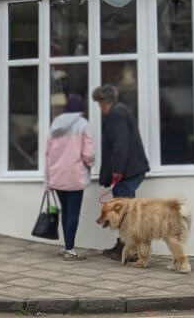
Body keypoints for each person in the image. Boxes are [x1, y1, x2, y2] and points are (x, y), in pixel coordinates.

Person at [92, 84, 150, 260]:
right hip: (132, 168)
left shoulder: (116, 113)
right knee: (124, 210)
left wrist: (117, 171)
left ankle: (131, 251)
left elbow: (120, 145)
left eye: (99, 103)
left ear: (105, 102)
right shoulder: (121, 110)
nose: (99, 107)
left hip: (128, 171)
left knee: (125, 211)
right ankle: (123, 244)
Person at [43, 93, 95, 260]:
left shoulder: (55, 125)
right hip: (75, 175)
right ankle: (70, 249)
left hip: (57, 176)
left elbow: (47, 153)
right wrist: (90, 164)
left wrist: (47, 179)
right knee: (73, 213)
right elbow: (88, 153)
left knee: (65, 212)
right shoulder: (82, 124)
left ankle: (66, 246)